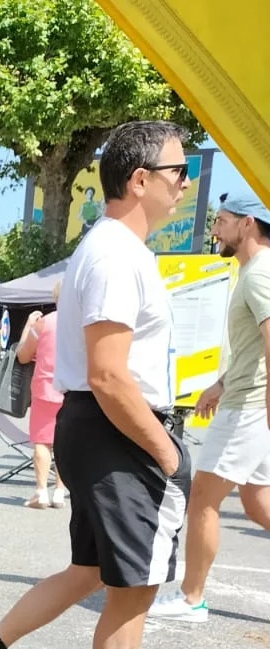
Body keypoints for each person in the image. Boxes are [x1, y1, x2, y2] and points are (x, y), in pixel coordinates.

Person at [0, 121, 193, 649]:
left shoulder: (111, 249)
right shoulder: (115, 253)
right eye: (179, 172)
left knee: (89, 570)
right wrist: (167, 454)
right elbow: (109, 374)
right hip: (119, 429)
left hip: (100, 427)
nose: (186, 184)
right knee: (135, 586)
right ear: (140, 180)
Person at [150, 192, 270, 622]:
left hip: (250, 408)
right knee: (256, 502)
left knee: (202, 497)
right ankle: (191, 596)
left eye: (221, 221)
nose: (214, 229)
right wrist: (219, 384)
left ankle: (191, 599)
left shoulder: (260, 273)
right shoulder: (253, 271)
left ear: (247, 223)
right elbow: (254, 348)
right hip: (246, 402)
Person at [15, 283, 66, 509]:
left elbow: (23, 355)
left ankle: (41, 492)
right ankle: (60, 492)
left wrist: (28, 325)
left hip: (45, 388)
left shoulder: (44, 323)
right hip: (73, 390)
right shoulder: (83, 323)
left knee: (43, 442)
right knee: (65, 442)